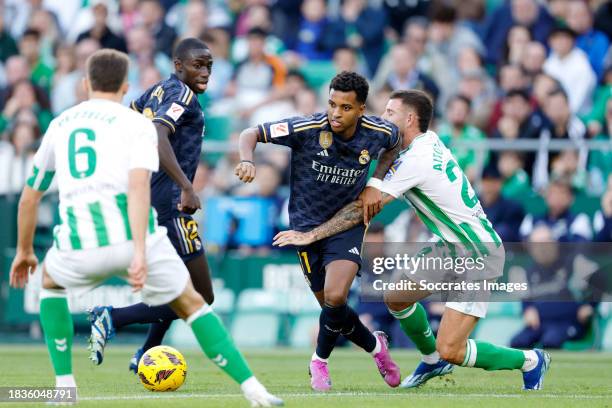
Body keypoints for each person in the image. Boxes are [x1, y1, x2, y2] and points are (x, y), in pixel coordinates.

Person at [8, 48, 282, 407]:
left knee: (50, 287)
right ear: (125, 85)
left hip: (77, 240)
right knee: (197, 303)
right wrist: (139, 251)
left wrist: (25, 251)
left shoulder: (61, 123)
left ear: (86, 83)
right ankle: (254, 391)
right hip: (138, 230)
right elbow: (138, 187)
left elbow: (29, 198)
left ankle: (64, 388)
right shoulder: (135, 124)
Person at [273, 89, 551, 391]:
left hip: (477, 253)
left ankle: (530, 360)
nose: (382, 117)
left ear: (409, 118)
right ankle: (432, 361)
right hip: (450, 246)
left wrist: (311, 234)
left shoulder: (416, 160)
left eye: (390, 112)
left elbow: (362, 210)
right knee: (397, 298)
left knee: (453, 350)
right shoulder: (425, 143)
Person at [235, 71, 401, 391]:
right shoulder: (308, 127)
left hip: (346, 224)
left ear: (361, 109)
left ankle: (319, 363)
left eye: (345, 107)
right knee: (332, 308)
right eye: (332, 104)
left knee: (337, 295)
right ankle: (377, 349)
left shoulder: (379, 132)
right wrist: (247, 161)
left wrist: (375, 183)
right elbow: (250, 133)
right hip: (305, 228)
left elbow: (395, 146)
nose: (336, 113)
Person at [89, 38, 216, 373]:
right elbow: (158, 133)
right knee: (201, 297)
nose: (204, 72)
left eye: (208, 66)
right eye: (197, 65)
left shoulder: (156, 91)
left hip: (150, 200)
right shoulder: (184, 95)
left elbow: (128, 125)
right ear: (178, 65)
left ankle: (145, 351)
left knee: (176, 284)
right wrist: (186, 188)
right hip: (171, 204)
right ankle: (113, 317)